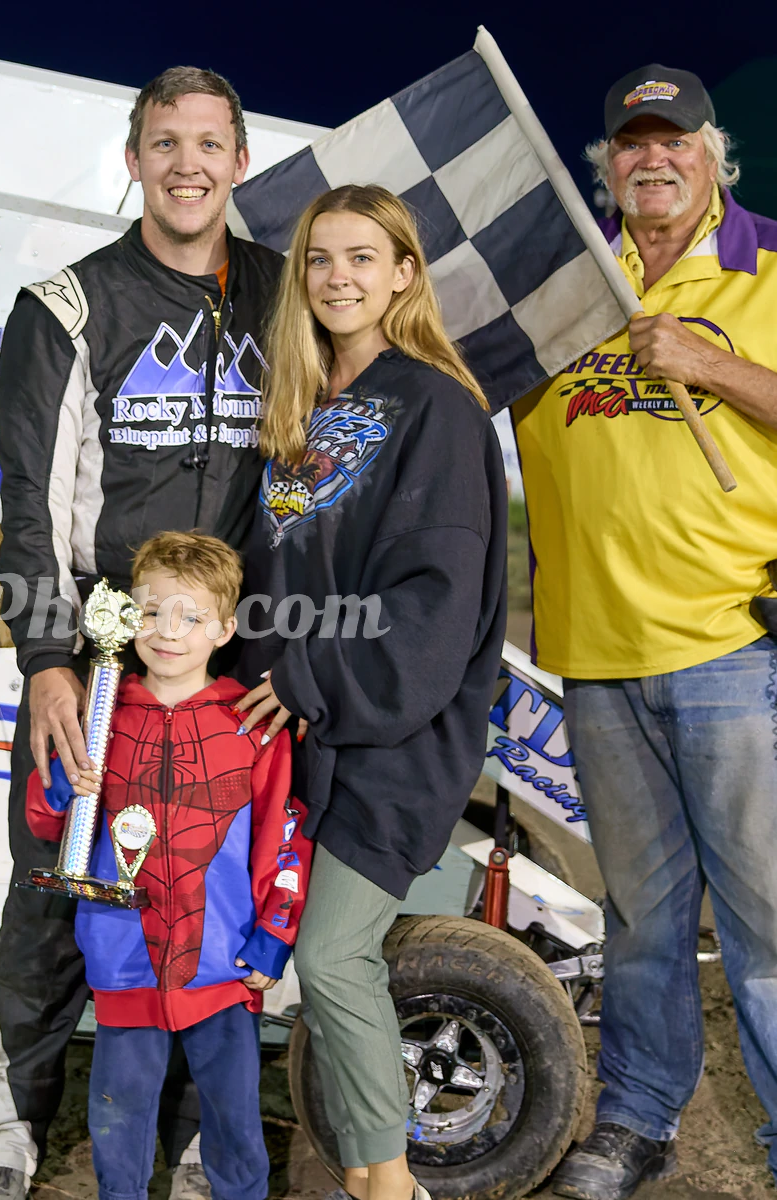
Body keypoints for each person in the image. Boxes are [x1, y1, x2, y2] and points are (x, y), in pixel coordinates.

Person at [0, 66, 283, 1200]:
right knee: (53, 893)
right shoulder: (67, 306)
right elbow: (30, 506)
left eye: (209, 144)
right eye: (165, 144)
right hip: (103, 662)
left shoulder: (287, 294)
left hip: (234, 657)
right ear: (135, 159)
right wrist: (48, 663)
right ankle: (4, 1138)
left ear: (240, 160)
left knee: (218, 891)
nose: (188, 165)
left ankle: (201, 1143)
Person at [509, 66, 777, 1200]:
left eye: (674, 141)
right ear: (606, 164)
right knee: (643, 921)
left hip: (734, 650)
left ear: (714, 155)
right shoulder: (565, 289)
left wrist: (708, 363)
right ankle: (637, 1119)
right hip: (598, 661)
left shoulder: (768, 268)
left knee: (768, 924)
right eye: (631, 143)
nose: (652, 158)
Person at [234, 184, 508, 1200]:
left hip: (392, 733)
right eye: (319, 259)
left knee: (334, 954)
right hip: (289, 735)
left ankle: (387, 1185)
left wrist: (309, 674)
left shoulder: (438, 409)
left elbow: (435, 609)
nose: (337, 277)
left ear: (403, 275)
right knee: (266, 950)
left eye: (362, 258)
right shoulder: (296, 406)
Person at [25, 531, 310, 1200]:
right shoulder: (101, 713)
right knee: (118, 1114)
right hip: (123, 958)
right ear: (127, 617)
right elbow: (46, 821)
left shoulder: (252, 725)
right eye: (152, 612)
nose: (168, 631)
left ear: (225, 629)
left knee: (234, 1120)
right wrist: (63, 783)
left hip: (222, 966)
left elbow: (287, 839)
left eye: (191, 616)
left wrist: (274, 936)